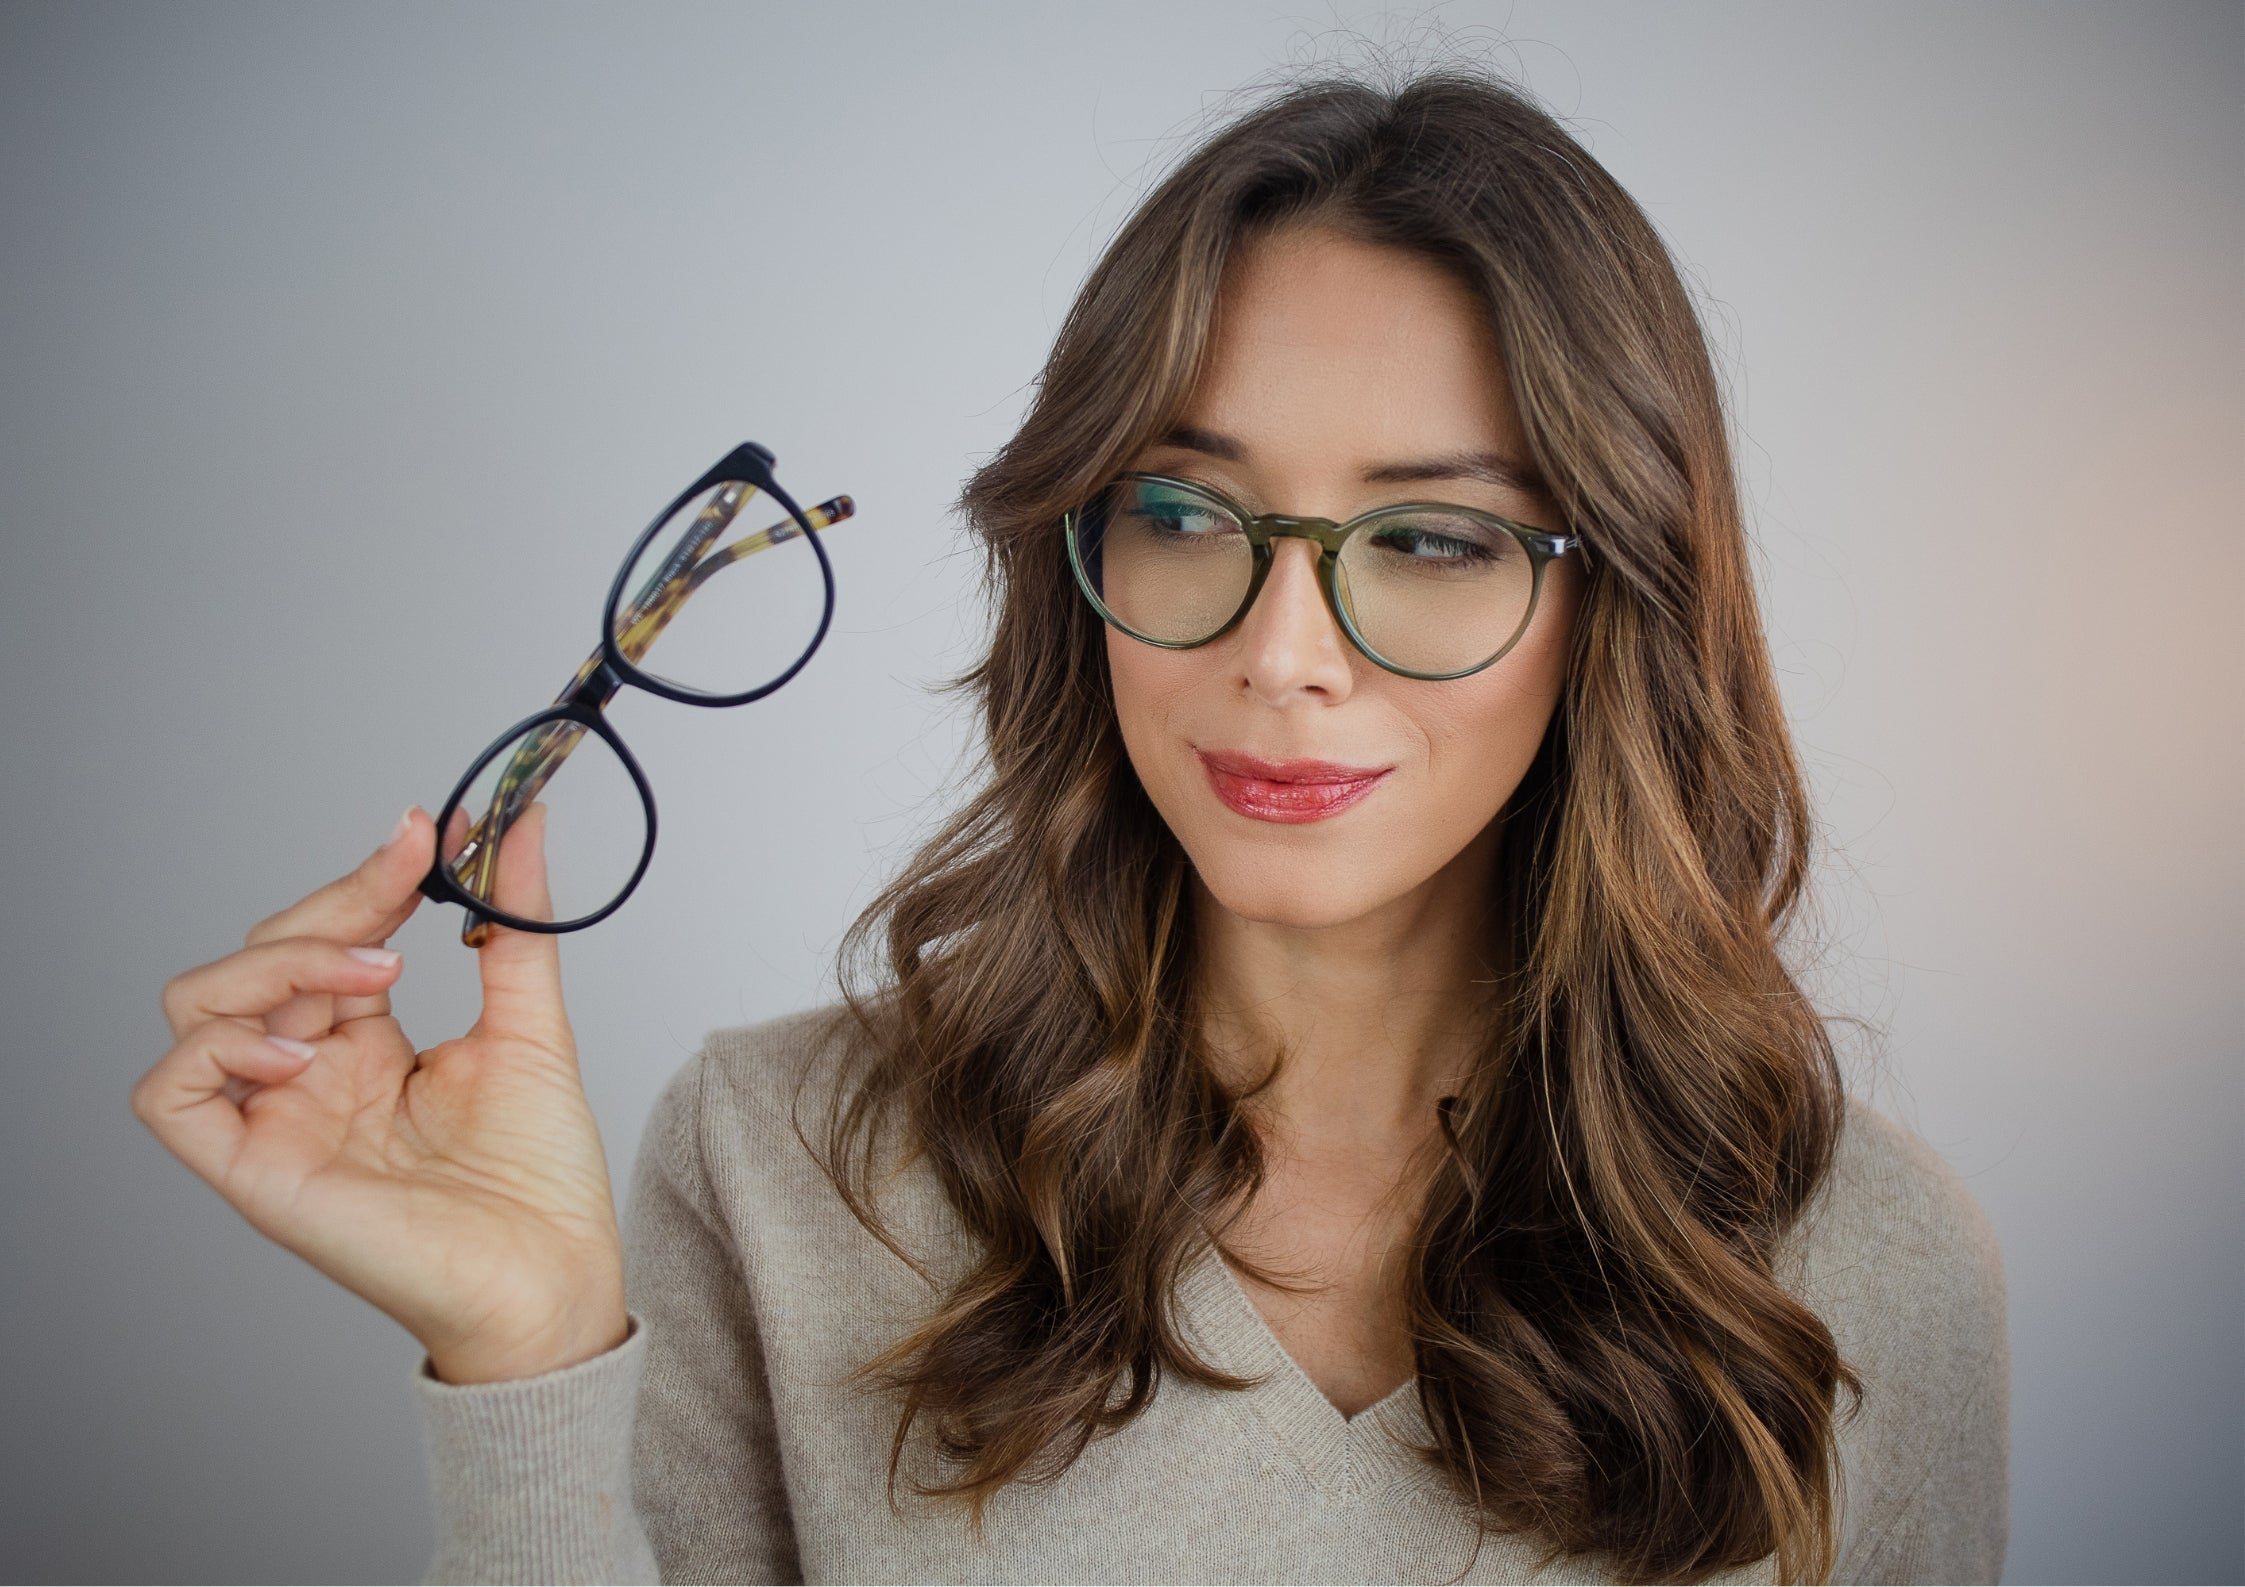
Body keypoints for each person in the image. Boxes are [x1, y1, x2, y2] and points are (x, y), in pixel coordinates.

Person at [133, 72, 2007, 1585]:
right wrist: (529, 1349)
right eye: (1184, 514)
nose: (1281, 661)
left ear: (1618, 598)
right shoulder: (783, 1169)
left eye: (1430, 542)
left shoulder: (1860, 1267)